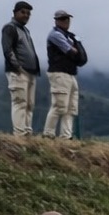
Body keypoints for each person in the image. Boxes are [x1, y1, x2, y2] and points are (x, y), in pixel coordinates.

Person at [42, 10, 87, 139]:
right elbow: (70, 50)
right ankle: (48, 133)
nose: (65, 21)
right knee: (59, 105)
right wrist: (75, 50)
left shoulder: (68, 35)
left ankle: (66, 136)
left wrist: (75, 51)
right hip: (59, 73)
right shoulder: (55, 35)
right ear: (56, 20)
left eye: (67, 19)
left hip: (70, 73)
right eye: (62, 19)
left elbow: (75, 51)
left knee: (71, 108)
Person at [1, 0, 41, 137]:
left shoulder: (25, 30)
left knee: (30, 104)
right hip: (18, 72)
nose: (26, 15)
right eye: (23, 12)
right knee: (20, 102)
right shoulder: (10, 28)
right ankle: (19, 134)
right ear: (15, 12)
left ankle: (27, 131)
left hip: (31, 72)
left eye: (28, 13)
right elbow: (8, 50)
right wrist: (17, 67)